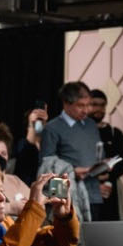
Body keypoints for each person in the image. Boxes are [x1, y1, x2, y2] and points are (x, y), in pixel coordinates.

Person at [40, 81, 105, 219]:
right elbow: (47, 166)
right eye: (80, 105)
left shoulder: (91, 125)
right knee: (69, 231)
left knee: (94, 232)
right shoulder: (52, 128)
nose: (86, 110)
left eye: (88, 105)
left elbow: (97, 155)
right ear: (66, 103)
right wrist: (73, 172)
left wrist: (104, 166)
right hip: (68, 196)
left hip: (94, 194)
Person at [88, 88, 123, 221]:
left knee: (109, 228)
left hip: (109, 191)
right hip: (85, 190)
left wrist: (109, 175)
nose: (99, 109)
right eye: (94, 104)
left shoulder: (114, 133)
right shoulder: (78, 133)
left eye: (102, 105)